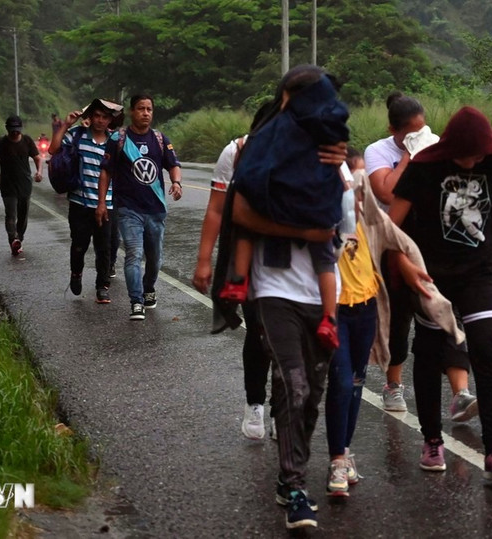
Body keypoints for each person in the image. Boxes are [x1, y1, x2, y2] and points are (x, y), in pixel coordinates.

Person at [214, 65, 347, 530]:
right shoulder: (261, 148)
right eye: (288, 99)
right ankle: (295, 486)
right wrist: (302, 229)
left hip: (321, 291)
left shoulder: (332, 153)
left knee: (310, 396)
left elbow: (338, 225)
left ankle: (289, 473)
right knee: (295, 385)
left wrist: (337, 183)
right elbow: (241, 210)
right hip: (272, 288)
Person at [192, 107, 347, 441]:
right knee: (261, 335)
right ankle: (255, 405)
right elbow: (217, 209)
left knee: (292, 342)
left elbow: (345, 209)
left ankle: (282, 411)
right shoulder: (235, 152)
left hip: (303, 264)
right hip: (254, 261)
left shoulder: (317, 152)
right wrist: (204, 260)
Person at [389, 105, 492, 481]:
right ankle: (432, 441)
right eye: (468, 155)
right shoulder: (425, 167)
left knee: (487, 350)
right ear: (453, 147)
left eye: (479, 155)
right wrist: (404, 265)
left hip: (478, 274)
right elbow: (390, 224)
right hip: (431, 276)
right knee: (429, 354)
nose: (474, 161)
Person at [324, 151, 464, 497]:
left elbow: (402, 243)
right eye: (350, 183)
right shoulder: (322, 219)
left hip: (365, 311)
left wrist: (413, 270)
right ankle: (337, 458)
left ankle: (345, 450)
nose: (358, 191)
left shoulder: (371, 218)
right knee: (341, 381)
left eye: (362, 183)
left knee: (356, 382)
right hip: (335, 312)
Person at [217, 65, 350, 352]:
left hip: (310, 289)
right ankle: (256, 398)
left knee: (306, 383)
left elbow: (348, 208)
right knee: (266, 350)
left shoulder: (330, 147)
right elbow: (239, 211)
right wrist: (310, 231)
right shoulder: (266, 139)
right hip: (270, 284)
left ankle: (237, 282)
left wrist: (339, 166)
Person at [364, 92, 478, 421]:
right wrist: (409, 156)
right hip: (391, 243)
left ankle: (460, 393)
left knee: (444, 310)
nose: (418, 136)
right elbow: (386, 192)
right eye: (410, 132)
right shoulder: (379, 151)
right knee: (398, 318)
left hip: (430, 242)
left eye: (421, 129)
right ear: (393, 129)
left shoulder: (436, 145)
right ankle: (393, 385)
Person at [95, 94, 182, 320]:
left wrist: (176, 182)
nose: (146, 113)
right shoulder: (118, 139)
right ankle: (136, 301)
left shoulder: (160, 139)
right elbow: (106, 171)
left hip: (155, 209)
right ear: (132, 112)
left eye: (149, 109)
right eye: (141, 109)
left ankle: (148, 288)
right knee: (133, 253)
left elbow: (173, 164)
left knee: (155, 258)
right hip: (128, 209)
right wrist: (102, 202)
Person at [49, 99, 124, 304]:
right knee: (79, 245)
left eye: (105, 117)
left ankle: (102, 286)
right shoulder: (77, 135)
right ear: (90, 117)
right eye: (97, 116)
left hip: (107, 204)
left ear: (110, 120)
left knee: (105, 248)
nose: (100, 120)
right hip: (80, 203)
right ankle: (76, 273)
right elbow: (53, 150)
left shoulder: (115, 141)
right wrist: (66, 125)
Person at [0, 115, 44, 256]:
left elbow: (37, 158)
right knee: (10, 214)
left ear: (21, 129)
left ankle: (19, 238)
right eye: (12, 130)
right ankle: (13, 239)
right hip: (7, 184)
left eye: (17, 130)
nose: (15, 133)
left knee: (23, 216)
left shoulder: (27, 141)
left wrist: (39, 172)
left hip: (25, 184)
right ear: (7, 128)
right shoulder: (0, 143)